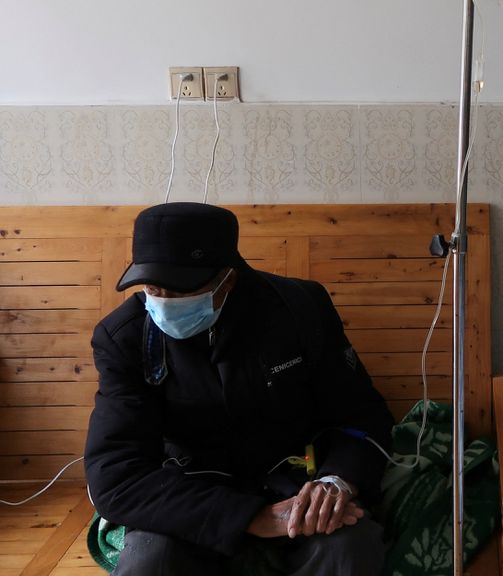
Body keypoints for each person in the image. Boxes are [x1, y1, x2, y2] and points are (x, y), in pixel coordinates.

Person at [84, 202, 394, 575]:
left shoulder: (299, 309)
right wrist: (250, 517)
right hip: (190, 493)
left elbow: (361, 415)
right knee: (151, 561)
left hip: (298, 484)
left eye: (182, 290)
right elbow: (116, 473)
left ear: (227, 278)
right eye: (152, 288)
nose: (164, 301)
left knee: (348, 547)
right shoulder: (124, 337)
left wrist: (336, 481)